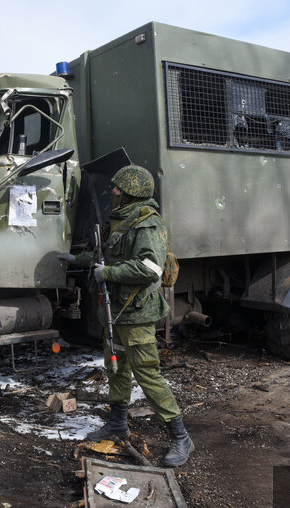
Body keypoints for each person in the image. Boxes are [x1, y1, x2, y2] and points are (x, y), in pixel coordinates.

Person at [57, 164, 193, 467]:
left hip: (136, 314)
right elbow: (105, 255)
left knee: (147, 374)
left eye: (118, 188)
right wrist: (76, 259)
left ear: (131, 193)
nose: (113, 191)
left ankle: (181, 437)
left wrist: (108, 273)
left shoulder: (147, 223)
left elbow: (150, 268)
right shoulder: (119, 221)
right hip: (115, 313)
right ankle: (118, 423)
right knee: (116, 368)